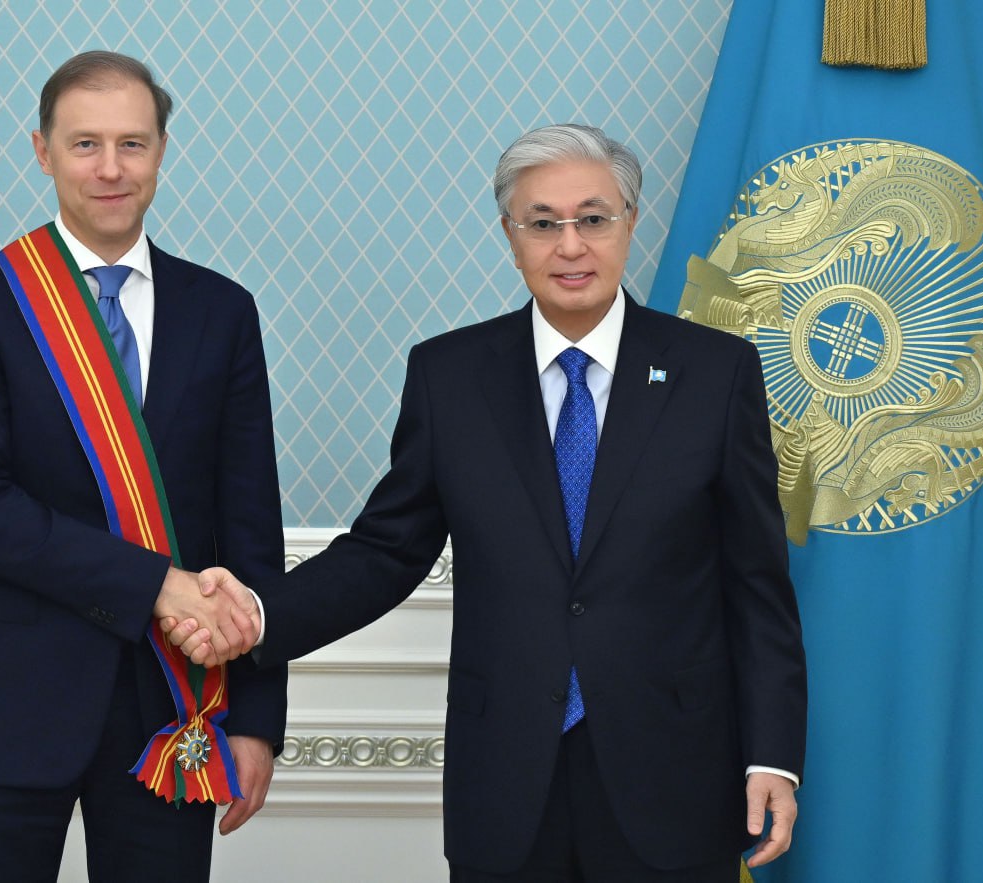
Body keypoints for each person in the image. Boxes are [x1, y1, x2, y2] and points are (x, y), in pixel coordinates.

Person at [168, 124, 807, 881]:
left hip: (673, 773)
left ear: (630, 223)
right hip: (505, 778)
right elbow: (386, 551)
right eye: (543, 223)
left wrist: (772, 754)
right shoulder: (450, 376)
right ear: (510, 236)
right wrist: (257, 615)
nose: (570, 245)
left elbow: (756, 583)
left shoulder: (716, 373)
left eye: (593, 218)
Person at [0, 50, 283, 881]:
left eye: (132, 143)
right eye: (85, 144)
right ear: (43, 151)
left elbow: (250, 527)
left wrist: (258, 718)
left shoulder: (222, 311)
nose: (110, 168)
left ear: (162, 151)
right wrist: (157, 584)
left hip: (174, 705)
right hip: (10, 697)